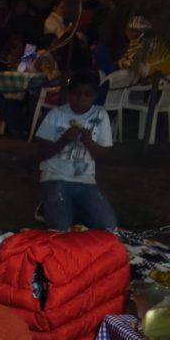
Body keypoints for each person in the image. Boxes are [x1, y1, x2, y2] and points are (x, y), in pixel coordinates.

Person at [35, 71, 116, 231]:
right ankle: (51, 206)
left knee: (108, 226)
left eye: (87, 95)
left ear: (95, 96)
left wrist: (89, 142)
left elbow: (104, 156)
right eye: (76, 94)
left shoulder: (100, 115)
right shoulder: (56, 114)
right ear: (68, 94)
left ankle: (72, 207)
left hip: (86, 181)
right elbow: (41, 154)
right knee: (60, 228)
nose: (80, 100)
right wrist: (64, 140)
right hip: (55, 176)